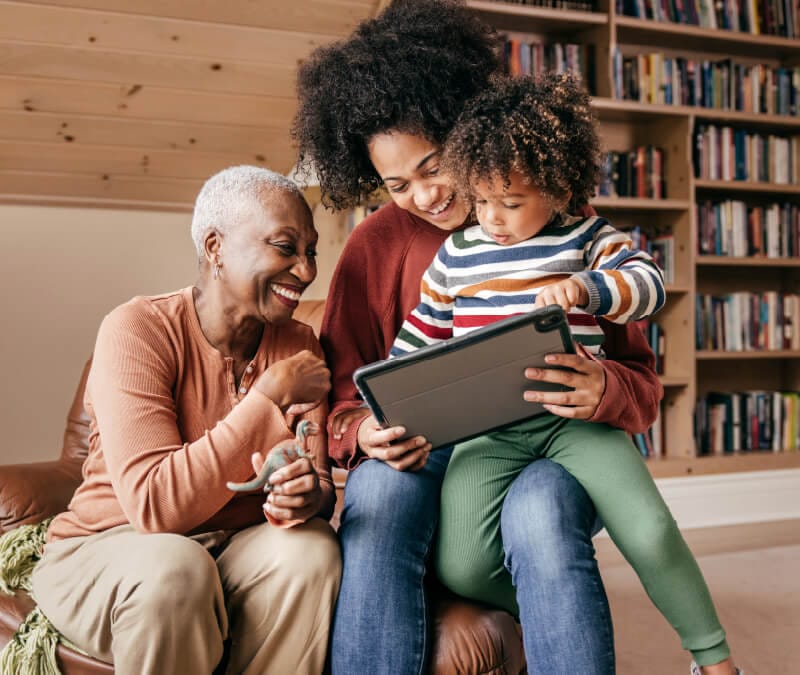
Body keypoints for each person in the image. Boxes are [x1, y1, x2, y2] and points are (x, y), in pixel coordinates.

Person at [293, 2, 663, 673]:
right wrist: (360, 432)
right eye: (397, 184)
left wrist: (604, 386)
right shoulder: (373, 247)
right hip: (428, 450)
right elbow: (343, 399)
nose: (424, 196)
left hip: (549, 442)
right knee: (376, 494)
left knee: (542, 506)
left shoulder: (556, 215)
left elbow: (641, 379)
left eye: (434, 166)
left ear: (465, 130)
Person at [390, 72, 740, 675]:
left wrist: (589, 288)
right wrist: (393, 399)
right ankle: (553, 612)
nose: (493, 218)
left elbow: (650, 285)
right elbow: (421, 338)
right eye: (482, 200)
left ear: (557, 188)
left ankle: (713, 659)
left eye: (513, 202)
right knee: (462, 564)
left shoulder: (586, 236)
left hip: (574, 422)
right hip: (489, 430)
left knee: (650, 531)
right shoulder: (457, 255)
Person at [30, 166, 341, 675]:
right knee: (176, 568)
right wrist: (266, 398)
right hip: (110, 548)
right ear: (216, 248)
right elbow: (156, 508)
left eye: (311, 253)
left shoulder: (299, 345)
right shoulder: (136, 330)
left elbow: (321, 488)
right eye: (286, 248)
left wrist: (307, 495)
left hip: (232, 550)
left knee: (312, 551)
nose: (306, 271)